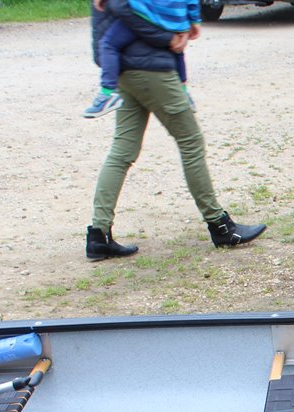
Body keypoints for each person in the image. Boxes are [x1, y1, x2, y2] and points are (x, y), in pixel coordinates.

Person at [86, 0, 265, 260]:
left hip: (127, 68)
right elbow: (120, 5)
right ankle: (220, 226)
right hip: (152, 68)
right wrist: (167, 36)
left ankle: (98, 236)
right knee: (190, 141)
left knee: (123, 150)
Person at [85, 0, 197, 119]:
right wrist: (194, 20)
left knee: (108, 44)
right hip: (175, 17)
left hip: (147, 14)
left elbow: (120, 6)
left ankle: (107, 93)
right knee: (178, 50)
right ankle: (184, 92)